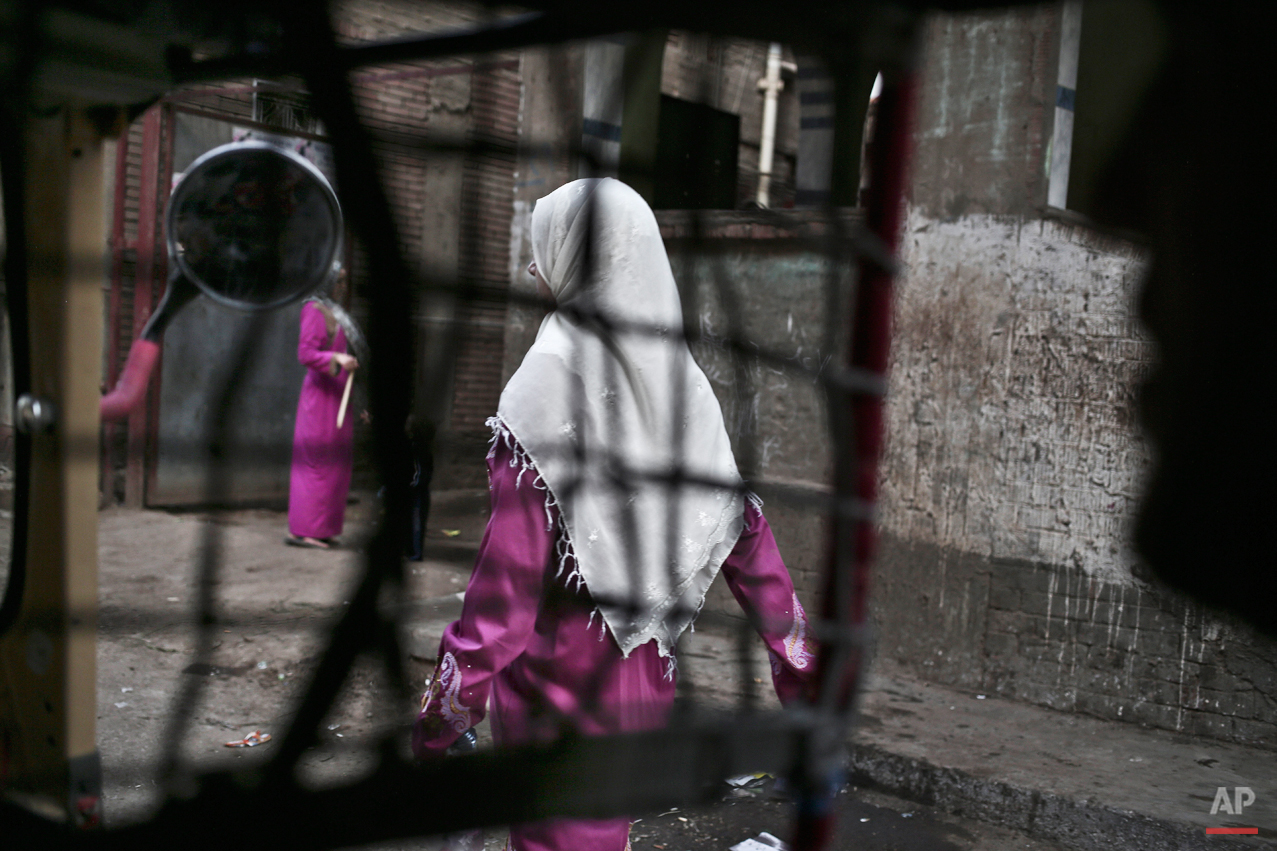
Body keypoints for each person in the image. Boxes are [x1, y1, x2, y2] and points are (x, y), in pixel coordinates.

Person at [411, 179, 815, 851]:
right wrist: (804, 681)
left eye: (547, 250)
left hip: (556, 698)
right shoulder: (681, 384)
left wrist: (438, 720)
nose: (534, 268)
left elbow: (501, 604)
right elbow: (751, 545)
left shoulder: (542, 392)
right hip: (640, 685)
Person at [286, 269, 365, 549]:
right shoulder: (314, 310)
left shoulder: (336, 313)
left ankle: (322, 528)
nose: (343, 285)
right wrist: (337, 358)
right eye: (339, 279)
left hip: (339, 397)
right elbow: (305, 353)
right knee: (317, 463)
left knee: (335, 467)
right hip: (320, 400)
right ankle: (305, 530)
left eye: (345, 279)